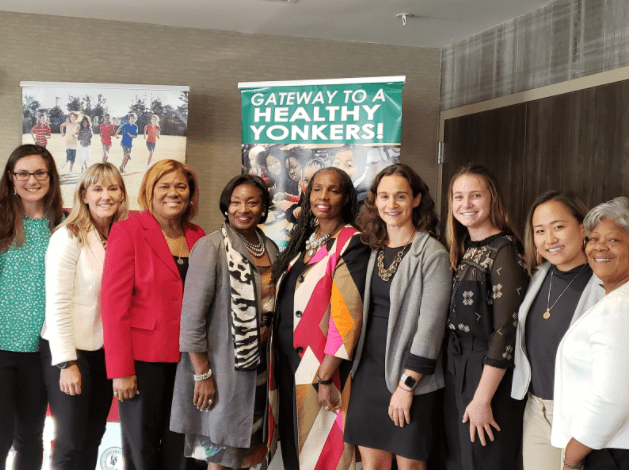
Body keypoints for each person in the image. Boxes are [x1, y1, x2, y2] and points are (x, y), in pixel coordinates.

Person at [345, 164, 452, 470]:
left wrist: (406, 387)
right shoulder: (374, 248)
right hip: (368, 375)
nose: (391, 204)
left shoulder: (432, 254)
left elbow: (430, 328)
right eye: (384, 196)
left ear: (417, 199)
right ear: (375, 201)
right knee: (372, 467)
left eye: (401, 196)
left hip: (410, 379)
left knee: (409, 467)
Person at [101, 159, 205, 470]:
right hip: (142, 364)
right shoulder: (128, 230)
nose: (173, 192)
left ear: (190, 194)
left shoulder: (198, 235)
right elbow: (113, 305)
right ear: (150, 190)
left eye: (181, 186)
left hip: (189, 362)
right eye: (165, 185)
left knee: (182, 450)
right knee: (141, 453)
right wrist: (121, 370)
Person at [171, 174, 279, 469]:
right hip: (220, 371)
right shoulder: (212, 247)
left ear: (263, 208)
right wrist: (202, 374)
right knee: (219, 458)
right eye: (235, 202)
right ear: (226, 206)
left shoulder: (270, 248)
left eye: (252, 202)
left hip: (260, 371)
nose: (243, 209)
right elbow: (192, 318)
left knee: (248, 456)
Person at [272, 167, 370, 470]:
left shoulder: (351, 242)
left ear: (347, 197)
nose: (323, 196)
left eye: (334, 190)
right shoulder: (305, 238)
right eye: (317, 189)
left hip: (322, 369)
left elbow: (347, 317)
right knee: (294, 450)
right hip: (288, 365)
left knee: (323, 455)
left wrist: (326, 375)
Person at [40, 163, 128, 470]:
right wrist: (67, 363)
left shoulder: (121, 236)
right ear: (84, 195)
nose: (106, 196)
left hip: (106, 354)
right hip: (71, 354)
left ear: (122, 194)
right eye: (98, 189)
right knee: (69, 443)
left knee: (93, 437)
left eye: (113, 188)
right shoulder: (68, 236)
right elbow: (56, 303)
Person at [511, 190, 605, 470]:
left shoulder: (604, 284)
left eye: (558, 227)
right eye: (540, 231)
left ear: (583, 227)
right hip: (537, 411)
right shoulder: (538, 275)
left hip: (584, 417)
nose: (549, 240)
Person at [443, 164, 529, 470]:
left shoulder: (504, 249)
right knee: (461, 460)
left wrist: (482, 398)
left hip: (487, 371)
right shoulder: (464, 247)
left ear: (492, 198)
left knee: (484, 460)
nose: (466, 204)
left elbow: (506, 331)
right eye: (458, 196)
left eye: (475, 195)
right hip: (457, 365)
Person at [552, 196, 629, 469]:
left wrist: (571, 457)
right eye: (593, 239)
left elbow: (614, 398)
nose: (600, 247)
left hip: (610, 451)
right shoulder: (615, 299)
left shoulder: (620, 307)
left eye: (614, 240)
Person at [0, 144, 64, 470]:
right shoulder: (0, 221)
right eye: (22, 173)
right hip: (1, 347)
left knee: (31, 436)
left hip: (43, 351)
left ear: (51, 177)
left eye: (40, 172)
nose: (31, 180)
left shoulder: (65, 226)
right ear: (11, 178)